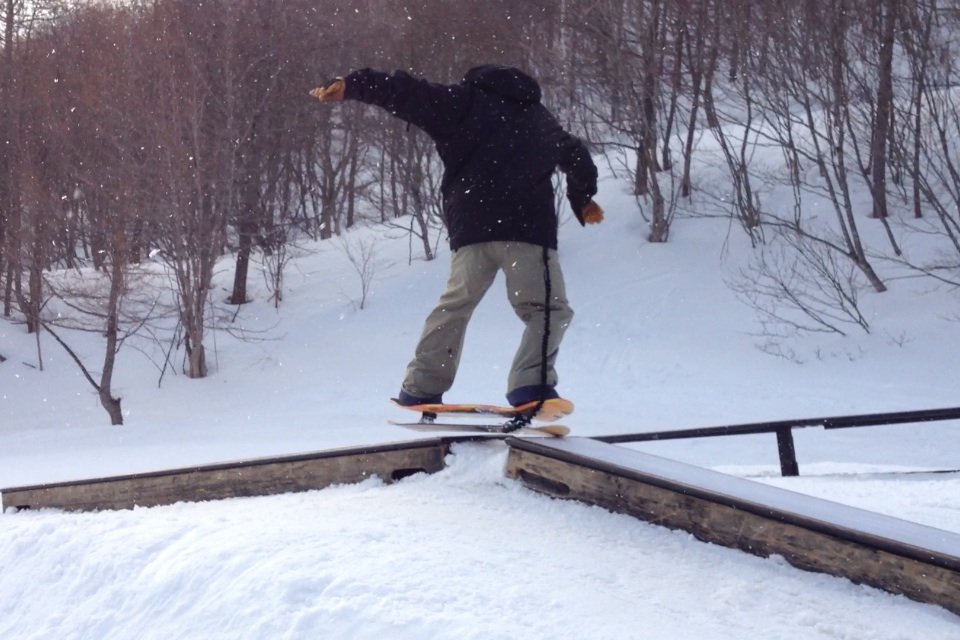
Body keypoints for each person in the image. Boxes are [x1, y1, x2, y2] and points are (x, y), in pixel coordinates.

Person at [311, 65, 601, 412]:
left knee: (455, 306)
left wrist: (353, 85)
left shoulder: (462, 102)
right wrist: (582, 197)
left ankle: (420, 388)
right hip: (526, 231)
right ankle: (531, 386)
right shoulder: (538, 117)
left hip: (471, 229)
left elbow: (407, 92)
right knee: (547, 309)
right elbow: (576, 155)